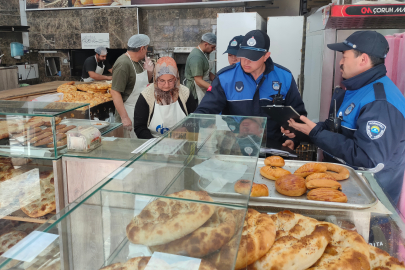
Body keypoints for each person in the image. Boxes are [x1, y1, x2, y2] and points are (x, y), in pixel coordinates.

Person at [285, 31, 405, 205]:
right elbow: (337, 130)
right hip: (345, 190)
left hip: (369, 200)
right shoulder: (357, 89)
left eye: (344, 56)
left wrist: (317, 133)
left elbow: (369, 160)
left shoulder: (381, 102)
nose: (340, 62)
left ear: (363, 59)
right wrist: (303, 133)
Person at [194, 30, 307, 150]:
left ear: (266, 56)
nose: (246, 61)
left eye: (252, 57)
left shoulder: (284, 77)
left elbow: (298, 114)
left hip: (273, 147)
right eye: (243, 55)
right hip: (235, 147)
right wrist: (188, 127)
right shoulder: (225, 78)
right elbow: (205, 110)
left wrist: (293, 139)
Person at [133, 57, 197, 139]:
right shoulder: (146, 96)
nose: (166, 85)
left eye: (170, 81)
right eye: (162, 81)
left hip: (181, 142)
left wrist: (186, 128)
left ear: (176, 79)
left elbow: (194, 120)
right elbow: (140, 127)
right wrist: (156, 144)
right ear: (156, 79)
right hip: (154, 143)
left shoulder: (185, 93)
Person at [111, 34, 154, 138]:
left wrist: (149, 72)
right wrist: (124, 117)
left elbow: (143, 84)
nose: (147, 51)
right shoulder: (123, 64)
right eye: (147, 48)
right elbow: (115, 92)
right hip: (128, 111)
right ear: (142, 48)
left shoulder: (138, 62)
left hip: (139, 110)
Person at [184, 32, 217, 104]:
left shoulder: (202, 53)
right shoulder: (196, 57)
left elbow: (206, 72)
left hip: (201, 89)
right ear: (206, 44)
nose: (214, 49)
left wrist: (218, 81)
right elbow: (198, 81)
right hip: (195, 93)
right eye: (212, 47)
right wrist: (213, 89)